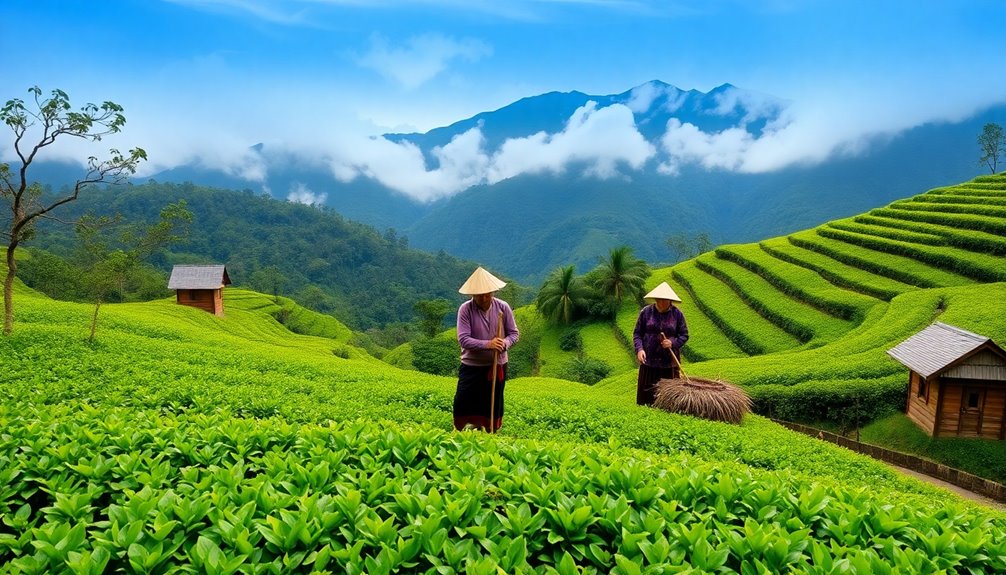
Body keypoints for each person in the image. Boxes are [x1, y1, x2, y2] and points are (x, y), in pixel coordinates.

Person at [454, 266, 520, 432]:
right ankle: (464, 430)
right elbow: (463, 339)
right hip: (472, 365)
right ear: (472, 294)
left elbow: (514, 334)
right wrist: (488, 344)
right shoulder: (465, 310)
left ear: (493, 292)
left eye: (487, 293)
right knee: (463, 399)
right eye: (479, 294)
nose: (483, 298)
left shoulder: (503, 308)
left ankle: (490, 430)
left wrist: (504, 344)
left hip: (496, 365)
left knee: (492, 402)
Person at [632, 282, 689, 406]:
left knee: (668, 399)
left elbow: (684, 335)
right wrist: (640, 349)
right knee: (645, 398)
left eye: (664, 300)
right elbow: (637, 334)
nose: (661, 302)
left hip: (668, 363)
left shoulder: (677, 314)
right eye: (659, 299)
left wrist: (672, 342)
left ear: (670, 301)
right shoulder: (646, 312)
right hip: (649, 361)